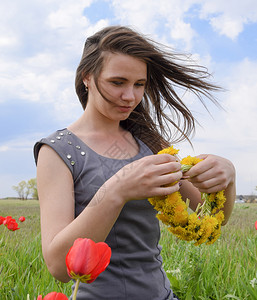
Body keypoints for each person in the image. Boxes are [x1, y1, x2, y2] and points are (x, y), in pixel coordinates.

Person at [34, 25, 236, 299]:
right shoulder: (58, 151)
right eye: (117, 82)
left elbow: (212, 217)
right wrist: (117, 191)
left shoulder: (151, 144)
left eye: (139, 84)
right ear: (87, 77)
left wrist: (227, 177)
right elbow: (58, 266)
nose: (130, 96)